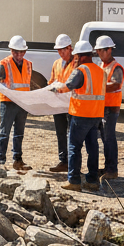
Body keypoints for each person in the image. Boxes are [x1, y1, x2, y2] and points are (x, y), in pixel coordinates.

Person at [53, 39, 104, 192]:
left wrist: (55, 88)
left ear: (80, 56)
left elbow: (67, 87)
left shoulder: (80, 70)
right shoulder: (100, 71)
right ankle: (92, 181)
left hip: (80, 115)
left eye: (76, 57)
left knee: (74, 147)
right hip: (96, 115)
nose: (74, 59)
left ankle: (74, 181)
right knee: (92, 148)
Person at [0, 35, 33, 171]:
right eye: (16, 52)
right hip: (8, 103)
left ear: (25, 52)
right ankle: (1, 161)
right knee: (5, 132)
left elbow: (26, 84)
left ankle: (18, 160)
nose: (19, 55)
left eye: (21, 52)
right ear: (11, 50)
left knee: (19, 133)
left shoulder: (28, 64)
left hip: (22, 103)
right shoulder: (4, 64)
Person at [94, 34, 123, 179]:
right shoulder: (102, 65)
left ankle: (112, 170)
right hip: (103, 107)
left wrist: (97, 87)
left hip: (111, 109)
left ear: (109, 50)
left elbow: (115, 85)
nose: (98, 54)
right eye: (98, 51)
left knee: (109, 139)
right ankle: (107, 168)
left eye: (100, 51)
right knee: (105, 139)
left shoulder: (116, 67)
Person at [47, 33, 75, 174]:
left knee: (72, 134)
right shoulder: (56, 63)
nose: (61, 52)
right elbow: (51, 81)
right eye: (59, 50)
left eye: (63, 49)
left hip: (72, 105)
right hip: (58, 105)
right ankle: (63, 161)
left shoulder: (77, 63)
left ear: (70, 48)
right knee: (61, 133)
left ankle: (72, 162)